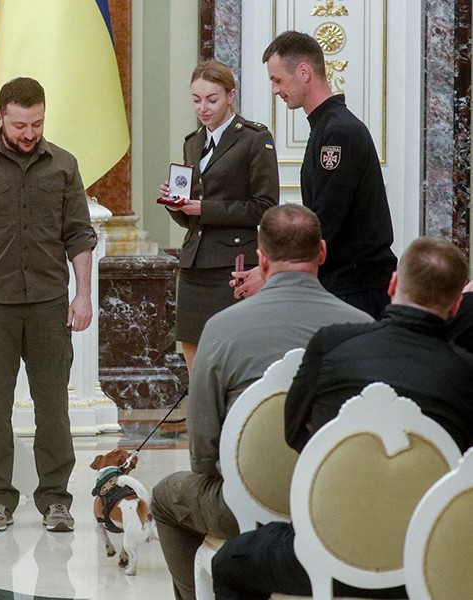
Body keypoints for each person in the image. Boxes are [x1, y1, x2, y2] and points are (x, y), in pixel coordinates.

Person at [212, 236, 473, 599]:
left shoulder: (331, 344)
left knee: (228, 564)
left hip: (322, 554)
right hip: (429, 561)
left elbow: (294, 434)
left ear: (394, 283)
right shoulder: (466, 373)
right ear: (458, 303)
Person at [151, 204, 370, 600]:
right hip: (337, 511)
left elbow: (202, 455)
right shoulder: (364, 327)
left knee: (167, 497)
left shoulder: (220, 329)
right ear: (322, 252)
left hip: (242, 510)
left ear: (262, 259)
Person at [0, 77, 97, 533]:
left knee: (53, 407)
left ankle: (55, 499)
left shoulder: (64, 165)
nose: (29, 133)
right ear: (1, 118)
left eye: (37, 124)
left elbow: (80, 236)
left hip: (50, 304)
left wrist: (83, 294)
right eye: (20, 124)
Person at [234, 31, 397, 319]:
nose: (274, 90)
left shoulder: (338, 132)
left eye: (277, 80)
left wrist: (273, 272)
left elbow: (325, 219)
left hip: (356, 290)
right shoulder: (328, 127)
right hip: (345, 285)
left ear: (304, 72)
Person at [159, 60, 279, 374]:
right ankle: (202, 418)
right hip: (194, 262)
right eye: (196, 100)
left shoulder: (254, 138)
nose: (203, 108)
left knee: (232, 355)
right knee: (192, 351)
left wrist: (205, 209)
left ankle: (231, 420)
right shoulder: (193, 142)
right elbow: (192, 220)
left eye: (212, 99)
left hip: (232, 262)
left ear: (230, 96)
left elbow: (265, 206)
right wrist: (176, 206)